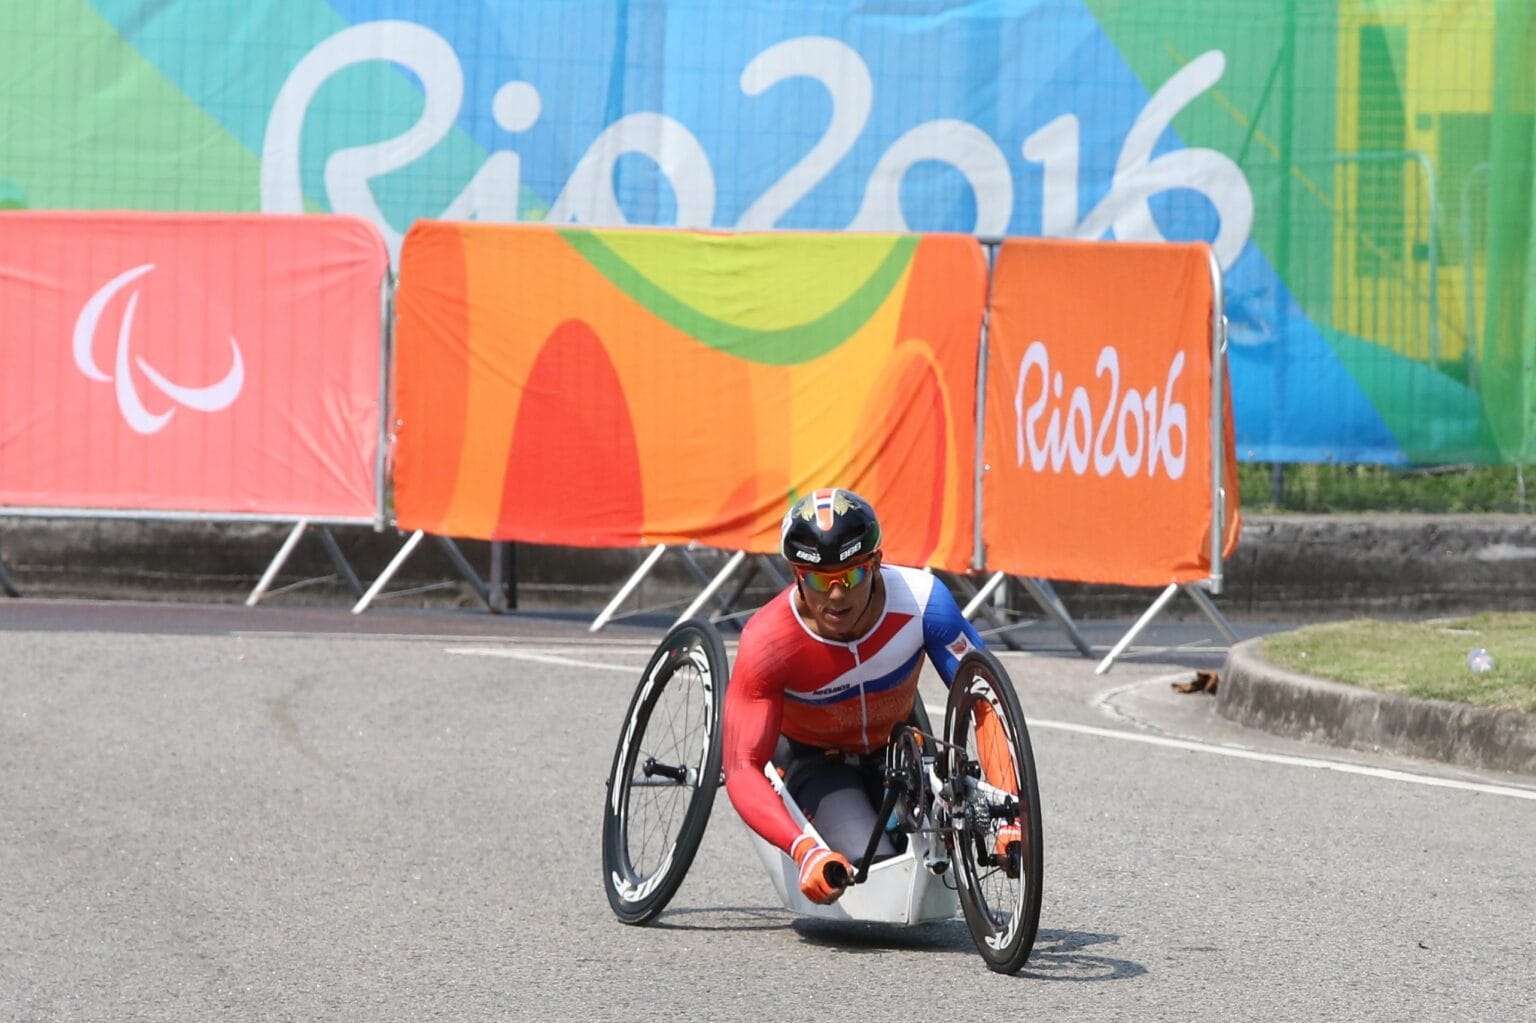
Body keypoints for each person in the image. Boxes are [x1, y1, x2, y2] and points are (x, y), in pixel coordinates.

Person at [722, 487, 1019, 906]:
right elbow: (741, 768)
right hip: (817, 760)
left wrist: (1009, 812)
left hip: (898, 747)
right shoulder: (767, 641)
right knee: (873, 870)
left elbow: (985, 704)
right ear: (796, 575)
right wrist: (804, 851)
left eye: (851, 576)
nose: (836, 595)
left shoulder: (924, 602)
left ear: (876, 563)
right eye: (818, 580)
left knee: (942, 849)